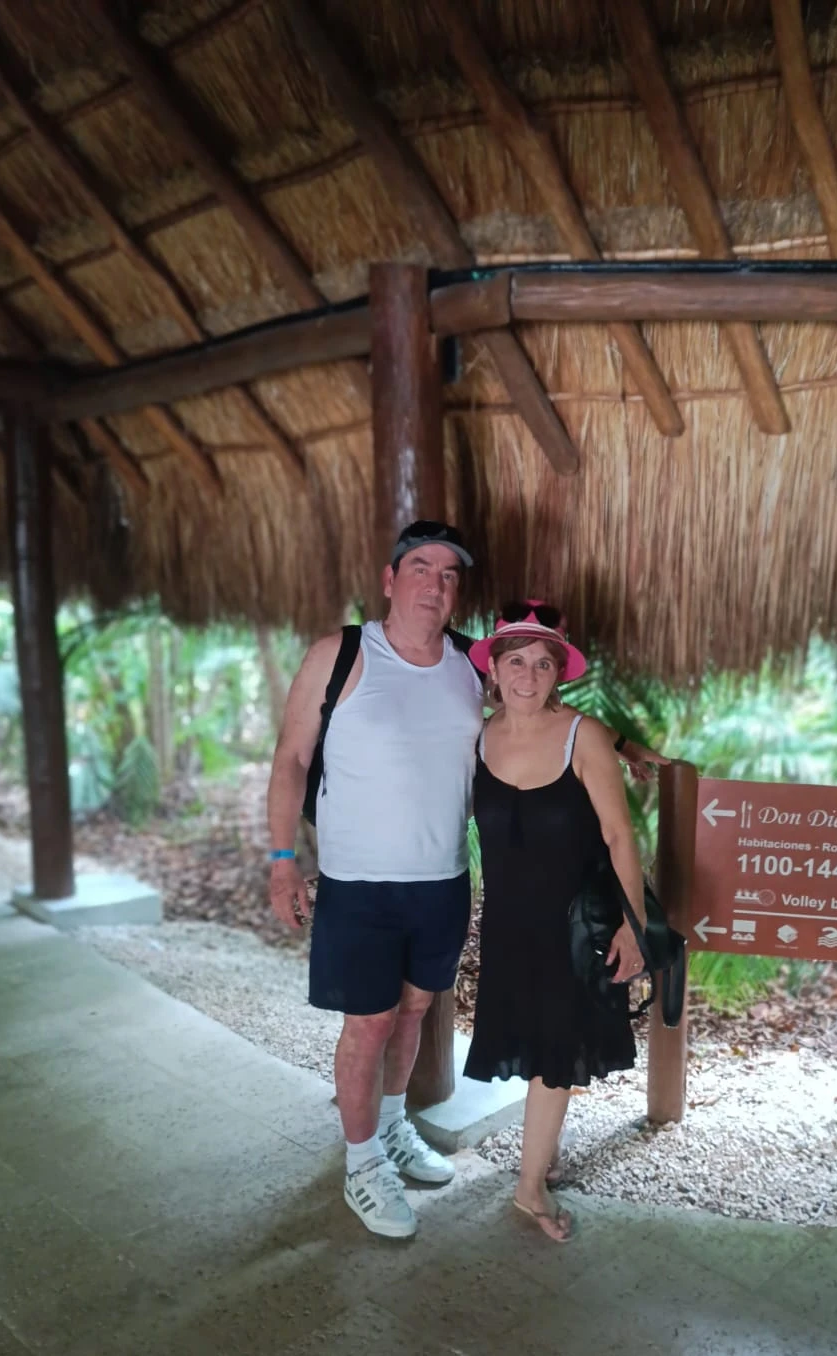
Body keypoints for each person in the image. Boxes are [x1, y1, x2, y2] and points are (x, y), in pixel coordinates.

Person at [267, 524, 660, 1241]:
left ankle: (391, 1132)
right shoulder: (346, 656)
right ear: (390, 579)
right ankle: (361, 1164)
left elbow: (545, 718)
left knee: (414, 1012)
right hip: (363, 883)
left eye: (449, 575)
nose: (435, 584)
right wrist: (281, 859)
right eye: (420, 568)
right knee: (367, 1026)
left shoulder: (459, 663)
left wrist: (620, 747)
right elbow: (292, 758)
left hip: (443, 882)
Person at [463, 603, 647, 1243]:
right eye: (516, 659)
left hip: (574, 926)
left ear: (557, 675)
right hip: (509, 924)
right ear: (494, 666)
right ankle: (538, 1164)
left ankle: (528, 1183)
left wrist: (634, 926)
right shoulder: (478, 736)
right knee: (536, 1044)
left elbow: (621, 836)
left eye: (543, 663)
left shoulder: (583, 736)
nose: (528, 673)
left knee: (557, 1053)